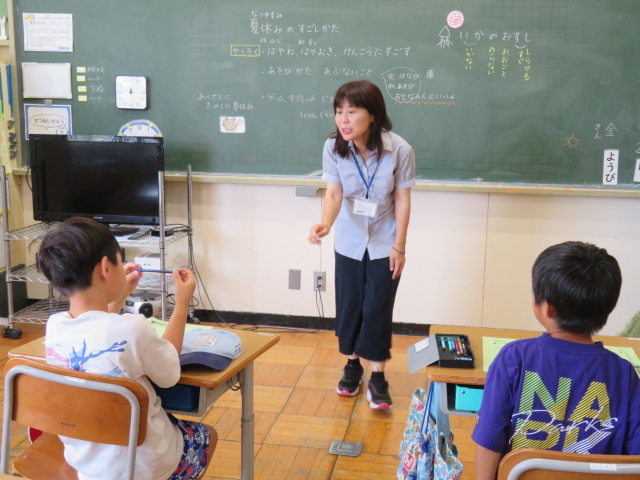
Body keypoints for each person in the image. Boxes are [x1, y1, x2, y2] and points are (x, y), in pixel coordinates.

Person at [36, 217, 217, 480]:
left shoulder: (55, 327)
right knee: (208, 434)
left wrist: (119, 295)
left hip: (89, 467)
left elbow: (98, 331)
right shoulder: (134, 328)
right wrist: (181, 305)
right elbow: (169, 374)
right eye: (120, 261)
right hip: (143, 467)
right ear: (105, 268)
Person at [472, 241, 640, 480]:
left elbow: (489, 438)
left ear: (547, 308)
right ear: (608, 308)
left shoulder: (514, 358)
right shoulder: (624, 374)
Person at [307, 80, 416, 409]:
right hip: (349, 240)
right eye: (339, 111)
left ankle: (378, 376)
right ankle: (353, 366)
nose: (343, 119)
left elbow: (402, 200)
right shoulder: (333, 147)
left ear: (373, 115)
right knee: (351, 305)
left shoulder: (400, 150)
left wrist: (400, 246)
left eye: (352, 112)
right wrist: (325, 223)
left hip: (385, 242)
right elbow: (334, 192)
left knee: (378, 307)